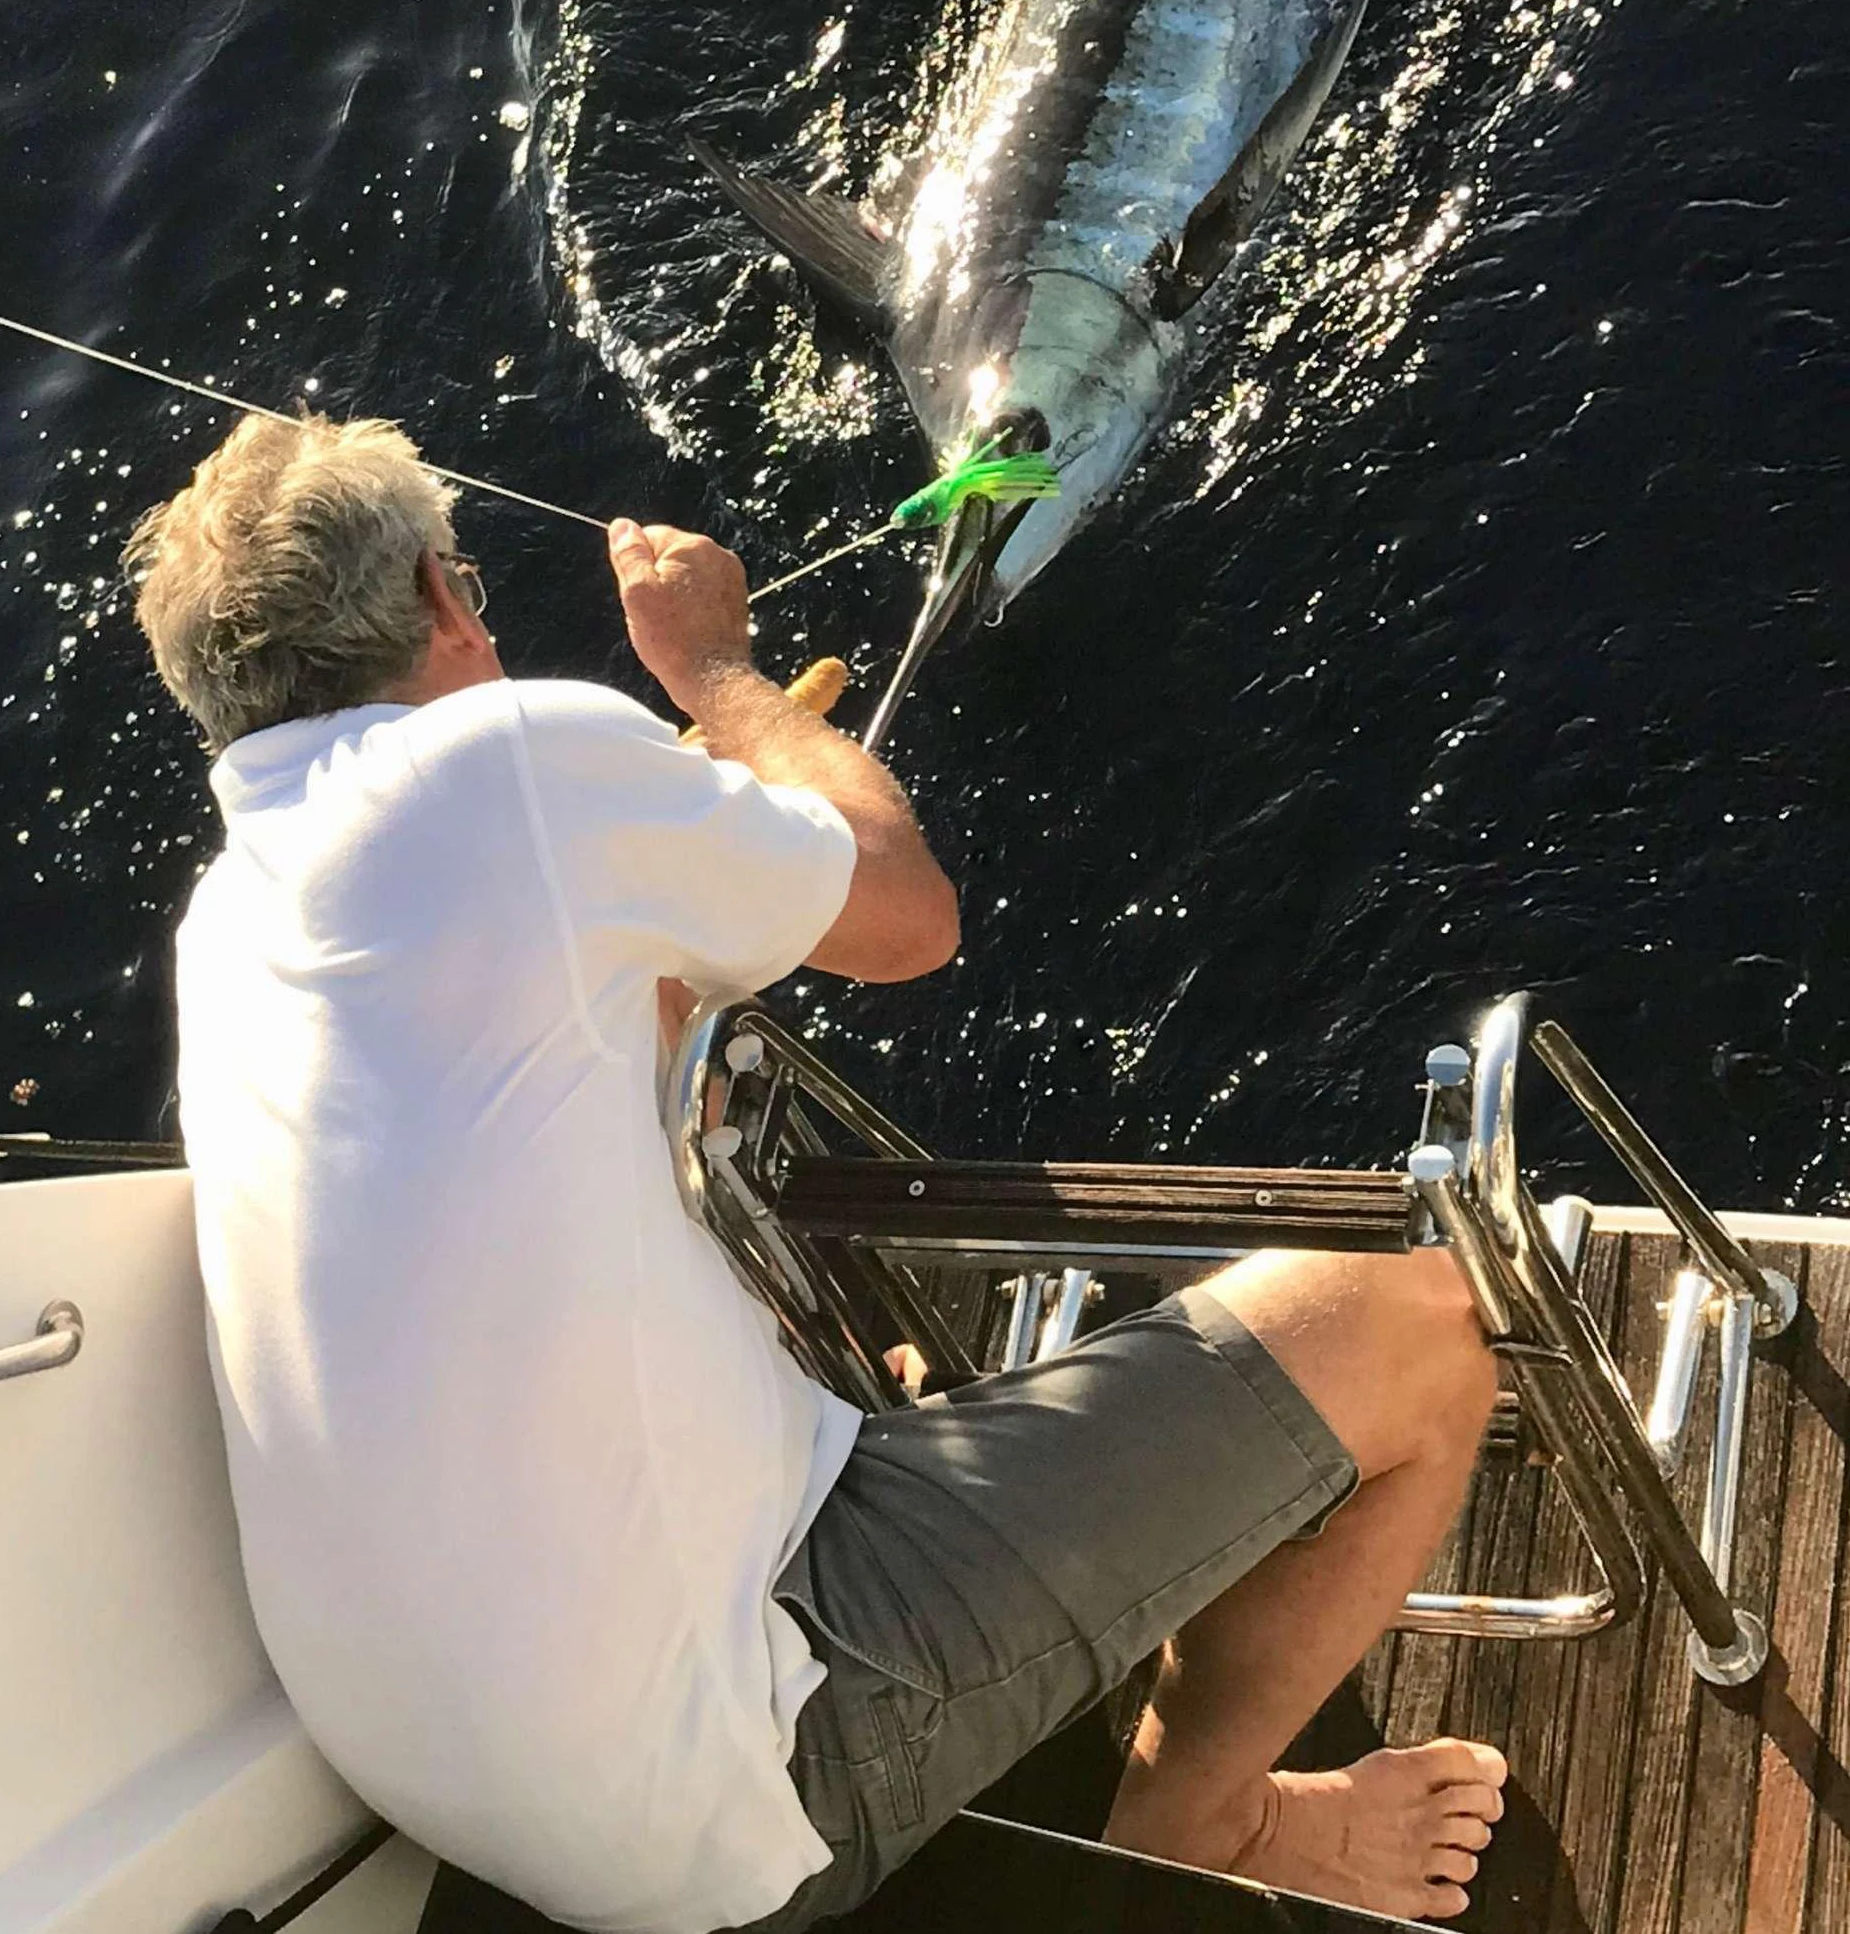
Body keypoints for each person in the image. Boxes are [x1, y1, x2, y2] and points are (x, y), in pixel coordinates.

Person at [128, 410, 1507, 1934]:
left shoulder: (223, 924)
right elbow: (911, 918)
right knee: (1417, 1320)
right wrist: (713, 672)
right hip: (734, 1800)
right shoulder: (504, 758)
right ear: (448, 601)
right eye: (469, 579)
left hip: (434, 1785)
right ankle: (1205, 1821)